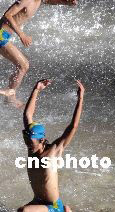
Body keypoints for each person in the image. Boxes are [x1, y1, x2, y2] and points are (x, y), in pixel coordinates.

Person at [17, 78, 84, 212]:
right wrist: (36, 90)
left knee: (24, 211)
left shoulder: (53, 151)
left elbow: (73, 126)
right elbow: (27, 115)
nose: (27, 144)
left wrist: (80, 99)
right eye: (26, 140)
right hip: (37, 201)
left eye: (30, 141)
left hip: (53, 206)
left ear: (41, 140)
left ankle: (63, 210)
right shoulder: (32, 149)